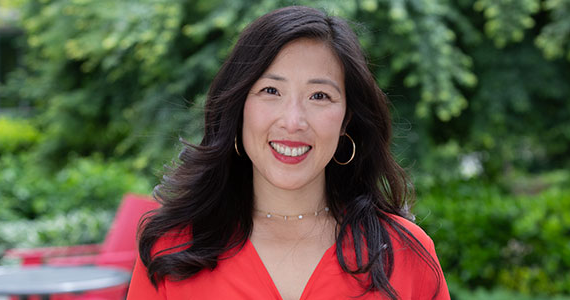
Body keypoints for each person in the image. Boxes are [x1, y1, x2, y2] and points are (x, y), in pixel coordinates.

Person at [128, 6, 449, 300]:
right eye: (271, 91)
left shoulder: (404, 252)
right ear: (239, 108)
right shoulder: (172, 247)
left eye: (319, 96)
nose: (293, 121)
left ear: (346, 120)